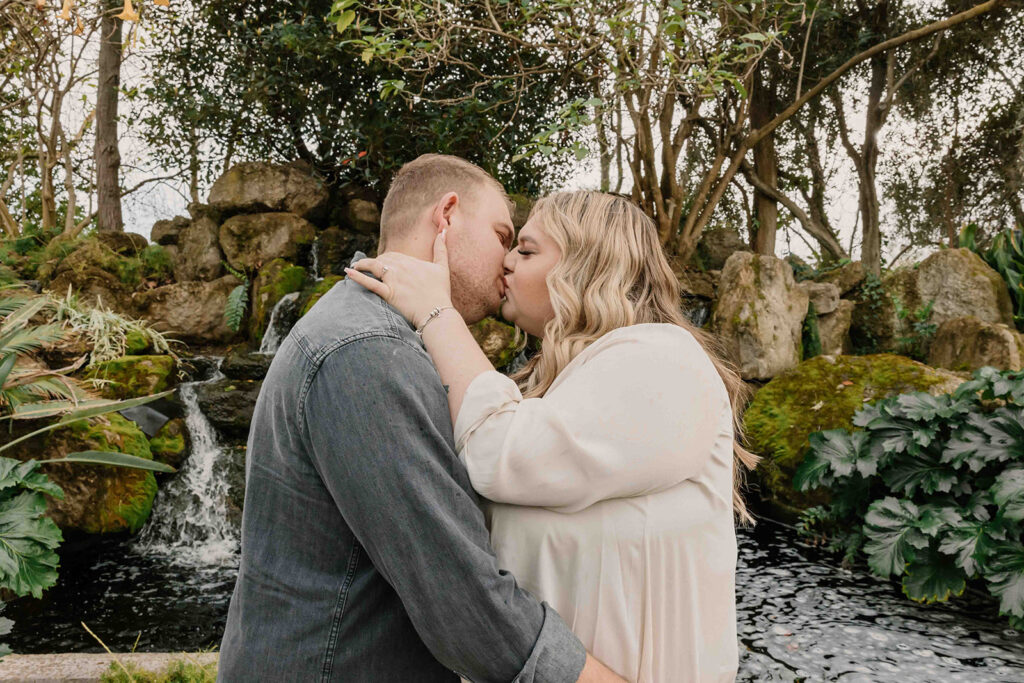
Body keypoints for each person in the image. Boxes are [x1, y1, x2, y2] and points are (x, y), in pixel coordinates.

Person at [218, 156, 624, 683]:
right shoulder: (368, 350)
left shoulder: (369, 329)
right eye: (503, 236)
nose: (507, 262)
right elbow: (459, 597)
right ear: (447, 216)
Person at [346, 190, 759, 683]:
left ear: (588, 266)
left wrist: (437, 313)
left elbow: (502, 452)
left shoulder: (666, 360)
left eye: (525, 250)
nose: (505, 262)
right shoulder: (566, 385)